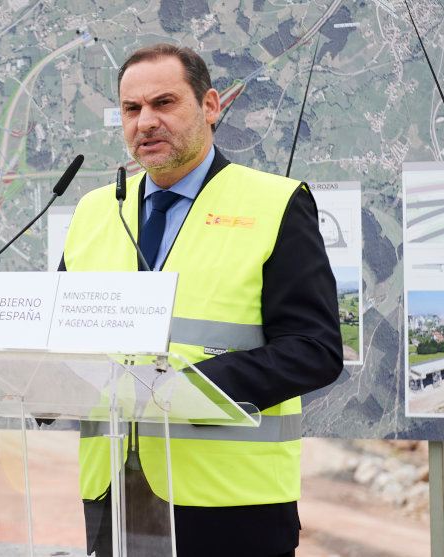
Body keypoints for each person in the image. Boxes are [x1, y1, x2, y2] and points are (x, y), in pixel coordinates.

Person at [59, 44, 343, 557]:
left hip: (232, 507)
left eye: (164, 103)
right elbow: (60, 339)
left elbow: (315, 348)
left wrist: (193, 390)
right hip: (114, 501)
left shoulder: (274, 203)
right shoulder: (92, 212)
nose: (145, 122)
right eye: (131, 109)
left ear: (210, 106)